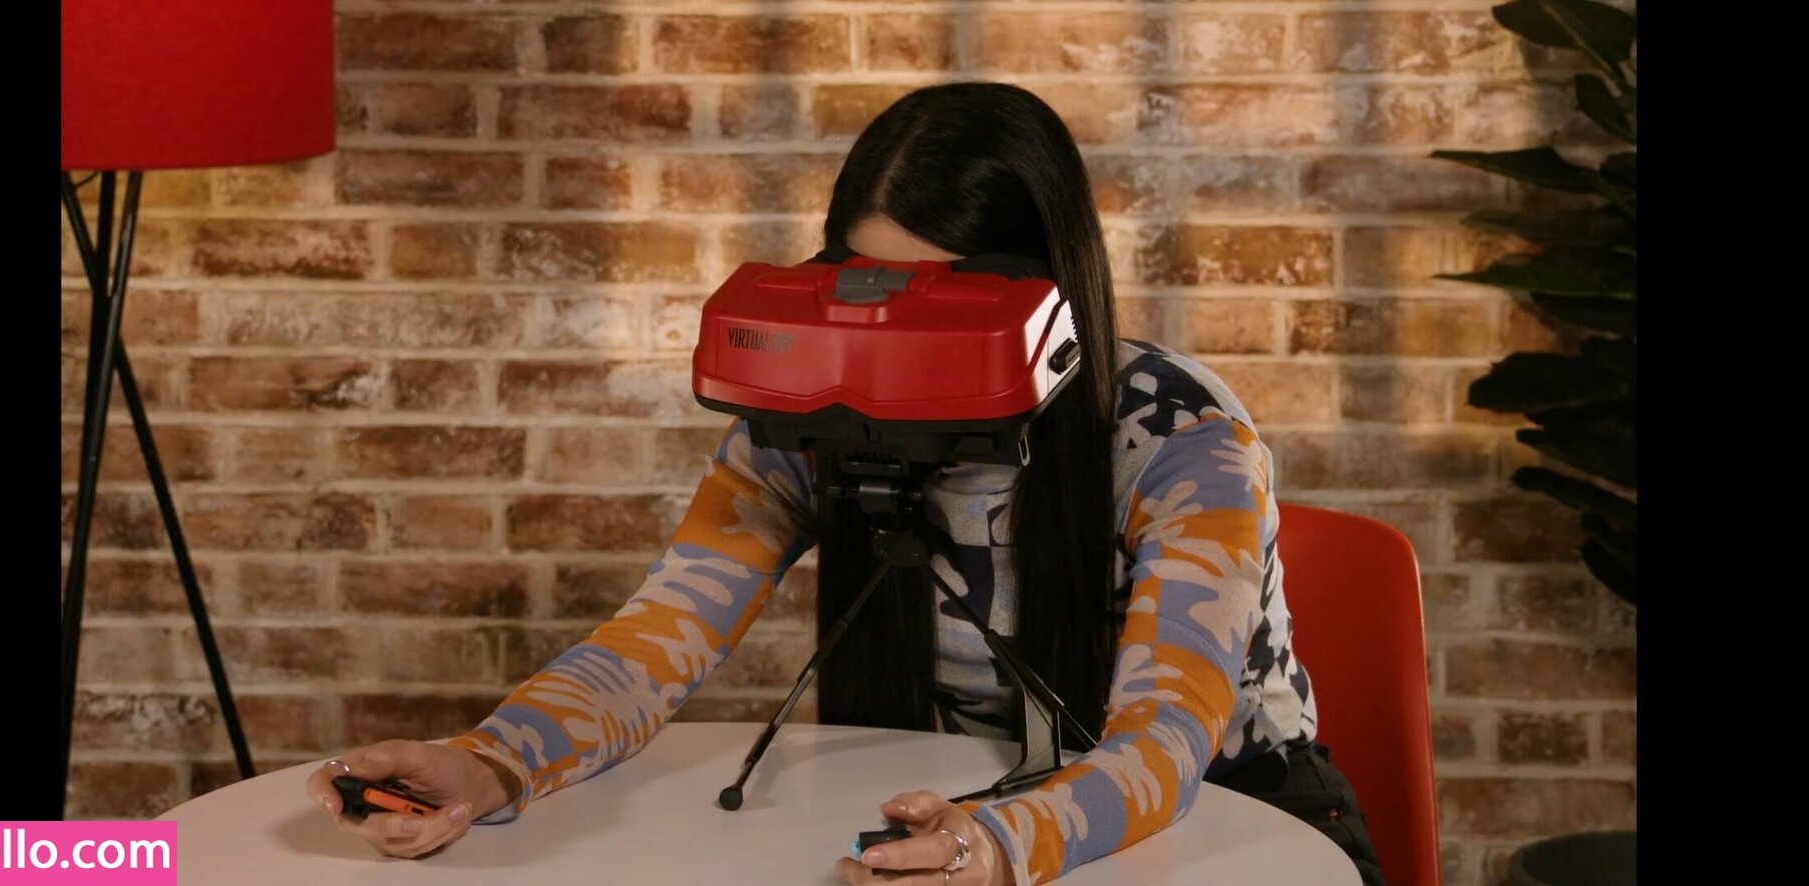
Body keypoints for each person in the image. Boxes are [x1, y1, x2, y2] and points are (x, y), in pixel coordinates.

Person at [306, 81, 1385, 886]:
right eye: (874, 294)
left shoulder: (1180, 433)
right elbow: (652, 640)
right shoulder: (812, 418)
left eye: (943, 308)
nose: (894, 347)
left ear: (1042, 300)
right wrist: (493, 764)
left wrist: (999, 846)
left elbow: (1166, 740)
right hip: (970, 816)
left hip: (1236, 829)